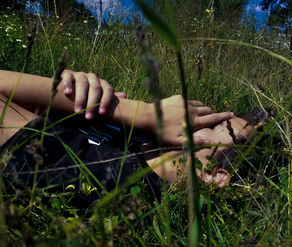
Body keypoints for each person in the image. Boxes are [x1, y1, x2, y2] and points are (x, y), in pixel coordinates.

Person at [0, 70, 255, 208]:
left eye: (215, 125)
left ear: (214, 174)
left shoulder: (112, 178)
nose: (200, 116)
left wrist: (140, 111)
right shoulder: (138, 138)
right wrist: (84, 92)